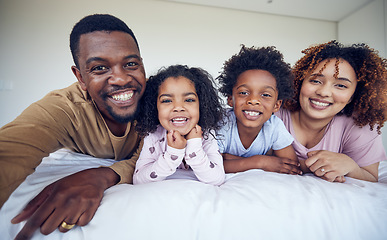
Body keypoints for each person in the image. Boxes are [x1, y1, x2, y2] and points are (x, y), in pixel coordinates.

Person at [0, 14, 146, 239]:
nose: (120, 79)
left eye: (130, 64)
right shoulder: (64, 108)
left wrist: (105, 175)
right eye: (99, 68)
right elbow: (11, 153)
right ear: (80, 77)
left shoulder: (161, 100)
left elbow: (164, 151)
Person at [276, 40, 387, 182]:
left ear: (353, 95)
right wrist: (308, 166)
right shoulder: (276, 111)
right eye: (315, 81)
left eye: (341, 85)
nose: (324, 92)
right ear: (300, 81)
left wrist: (351, 166)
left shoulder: (359, 125)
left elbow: (371, 176)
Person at [133, 65, 225, 185]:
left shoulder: (207, 134)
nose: (178, 107)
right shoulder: (154, 135)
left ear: (201, 104)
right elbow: (139, 180)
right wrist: (173, 153)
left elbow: (216, 179)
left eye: (189, 100)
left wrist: (194, 147)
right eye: (167, 100)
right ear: (155, 107)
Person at [216, 45, 301, 175]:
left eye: (265, 95)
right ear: (230, 99)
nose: (253, 100)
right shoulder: (222, 123)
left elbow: (289, 165)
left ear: (277, 105)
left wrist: (232, 160)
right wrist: (260, 162)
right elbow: (210, 165)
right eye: (244, 93)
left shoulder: (274, 126)